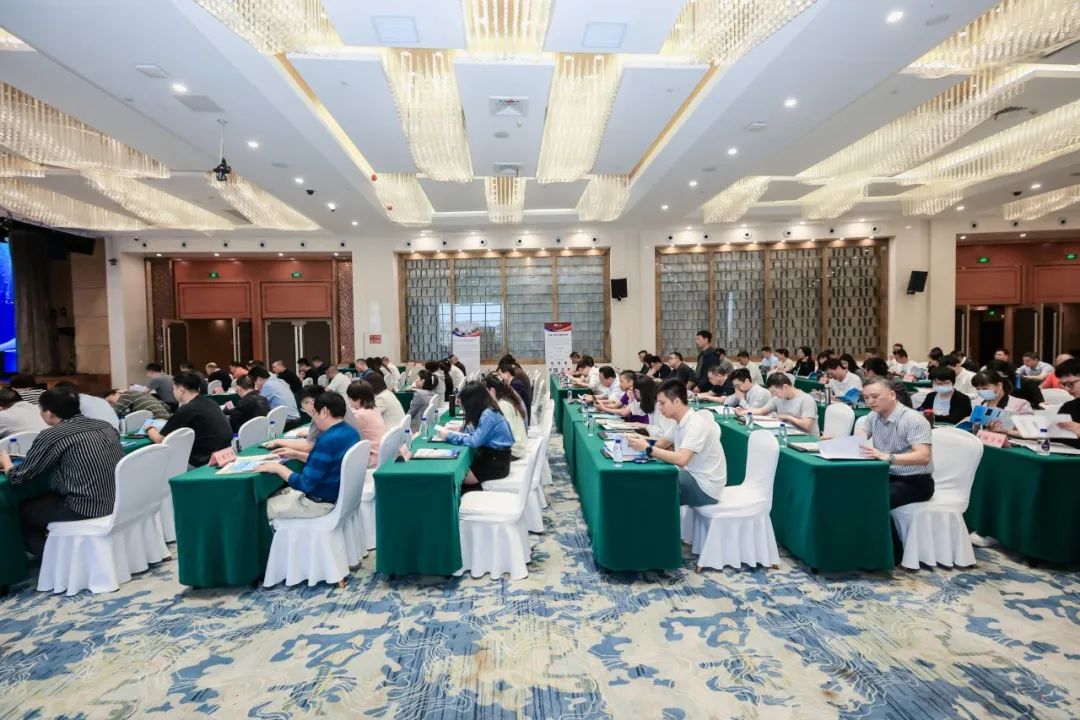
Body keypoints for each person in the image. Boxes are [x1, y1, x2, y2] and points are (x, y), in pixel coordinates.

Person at [0, 388, 124, 557]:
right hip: (116, 500)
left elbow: (18, 477)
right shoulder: (104, 425)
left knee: (17, 516)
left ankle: (59, 561)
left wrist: (6, 462)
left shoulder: (53, 435)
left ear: (49, 413)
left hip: (84, 507)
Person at [858, 378, 934, 563]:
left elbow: (924, 456)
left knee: (873, 499)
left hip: (916, 481)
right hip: (888, 475)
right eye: (866, 398)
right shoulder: (873, 416)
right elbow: (859, 438)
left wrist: (887, 457)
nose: (870, 402)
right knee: (851, 491)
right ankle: (860, 548)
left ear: (892, 395)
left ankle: (891, 555)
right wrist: (838, 441)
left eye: (875, 396)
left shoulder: (912, 419)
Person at [257, 392, 360, 520]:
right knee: (279, 493)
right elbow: (329, 464)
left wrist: (278, 468)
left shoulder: (327, 440)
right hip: (336, 496)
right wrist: (295, 454)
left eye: (315, 413)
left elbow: (304, 484)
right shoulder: (351, 432)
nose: (314, 418)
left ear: (324, 412)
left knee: (258, 509)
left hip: (316, 503)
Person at [626, 379, 726, 507]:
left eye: (662, 403)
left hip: (705, 487)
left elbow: (682, 459)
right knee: (649, 475)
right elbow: (660, 444)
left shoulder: (696, 424)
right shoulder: (678, 421)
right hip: (690, 475)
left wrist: (647, 449)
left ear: (677, 401)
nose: (659, 408)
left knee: (653, 484)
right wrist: (639, 441)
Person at [434, 381, 515, 490]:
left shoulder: (488, 414)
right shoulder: (488, 409)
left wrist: (449, 435)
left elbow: (474, 441)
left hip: (496, 462)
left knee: (457, 480)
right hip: (493, 456)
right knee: (460, 474)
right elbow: (478, 431)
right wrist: (460, 429)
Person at [147, 372, 233, 467]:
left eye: (174, 389)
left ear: (181, 390)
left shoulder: (187, 409)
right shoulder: (210, 402)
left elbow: (160, 440)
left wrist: (150, 429)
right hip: (224, 454)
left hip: (204, 461)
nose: (173, 392)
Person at [741, 374, 820, 436]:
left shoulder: (806, 399)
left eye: (775, 392)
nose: (774, 395)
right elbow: (762, 410)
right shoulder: (778, 398)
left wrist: (788, 417)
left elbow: (806, 425)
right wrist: (743, 412)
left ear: (785, 387)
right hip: (787, 434)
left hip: (807, 438)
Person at [344, 381, 386, 467]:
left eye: (349, 398)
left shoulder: (359, 415)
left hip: (373, 458)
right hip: (382, 453)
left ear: (358, 400)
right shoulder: (374, 409)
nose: (349, 402)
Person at [485, 375, 527, 460]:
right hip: (515, 447)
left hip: (513, 450)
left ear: (492, 391)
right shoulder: (504, 401)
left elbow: (506, 434)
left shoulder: (503, 405)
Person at [53, 381, 120, 433]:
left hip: (99, 438)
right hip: (115, 435)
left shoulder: (74, 403)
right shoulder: (96, 399)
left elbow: (63, 425)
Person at [1050, 358, 1080, 448]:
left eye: (1070, 384)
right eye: (1064, 385)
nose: (1066, 389)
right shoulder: (1069, 406)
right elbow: (1054, 438)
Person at [497, 359, 533, 424]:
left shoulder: (516, 384)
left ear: (507, 374)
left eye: (500, 374)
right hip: (522, 416)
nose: (500, 377)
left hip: (523, 420)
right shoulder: (514, 382)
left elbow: (510, 402)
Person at [106, 388, 171, 420]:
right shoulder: (142, 394)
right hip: (167, 419)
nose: (111, 405)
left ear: (117, 393)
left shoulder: (126, 394)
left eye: (110, 401)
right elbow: (166, 407)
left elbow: (113, 413)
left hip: (157, 421)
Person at [407, 369, 437, 433]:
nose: (415, 380)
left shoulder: (419, 394)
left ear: (422, 381)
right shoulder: (432, 393)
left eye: (417, 378)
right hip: (427, 425)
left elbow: (411, 413)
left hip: (416, 428)